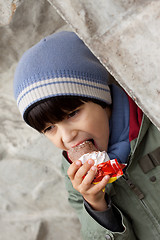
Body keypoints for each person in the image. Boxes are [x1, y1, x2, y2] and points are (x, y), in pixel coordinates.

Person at [13, 31, 160, 240]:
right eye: (48, 129)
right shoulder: (75, 180)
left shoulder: (151, 118)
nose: (66, 136)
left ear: (101, 99)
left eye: (72, 114)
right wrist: (97, 206)